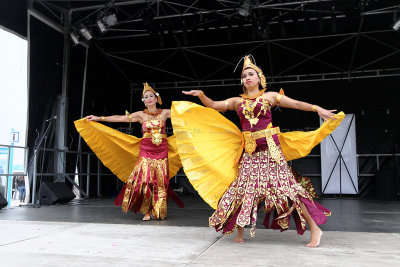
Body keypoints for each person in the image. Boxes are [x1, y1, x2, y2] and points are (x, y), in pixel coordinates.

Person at [171, 55, 344, 247]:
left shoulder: (269, 97)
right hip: (249, 153)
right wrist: (202, 95)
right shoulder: (237, 101)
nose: (247, 78)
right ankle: (240, 232)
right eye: (244, 76)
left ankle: (315, 228)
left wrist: (316, 108)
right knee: (242, 191)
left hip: (271, 152)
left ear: (260, 78)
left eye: (251, 74)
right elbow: (214, 106)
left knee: (289, 190)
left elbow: (295, 103)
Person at [75, 83, 183, 221]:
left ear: (156, 98)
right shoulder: (140, 115)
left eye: (151, 96)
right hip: (146, 150)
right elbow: (121, 118)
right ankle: (147, 211)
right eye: (145, 97)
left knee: (160, 182)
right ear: (143, 100)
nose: (149, 98)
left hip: (161, 150)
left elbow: (184, 115)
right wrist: (99, 118)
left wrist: (203, 116)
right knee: (145, 180)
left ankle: (158, 210)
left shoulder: (165, 112)